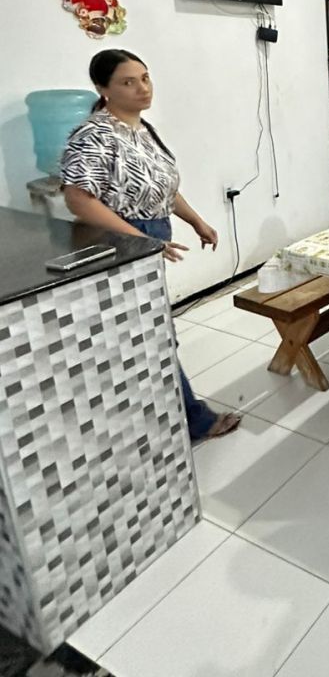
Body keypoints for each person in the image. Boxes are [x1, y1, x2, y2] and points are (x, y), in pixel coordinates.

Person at [60, 50, 240, 442]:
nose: (142, 88)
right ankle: (193, 420)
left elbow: (162, 188)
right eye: (128, 82)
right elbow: (78, 199)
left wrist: (196, 220)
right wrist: (140, 240)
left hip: (148, 233)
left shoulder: (142, 130)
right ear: (103, 89)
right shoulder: (94, 134)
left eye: (145, 78)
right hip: (118, 242)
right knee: (151, 333)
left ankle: (167, 415)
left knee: (151, 331)